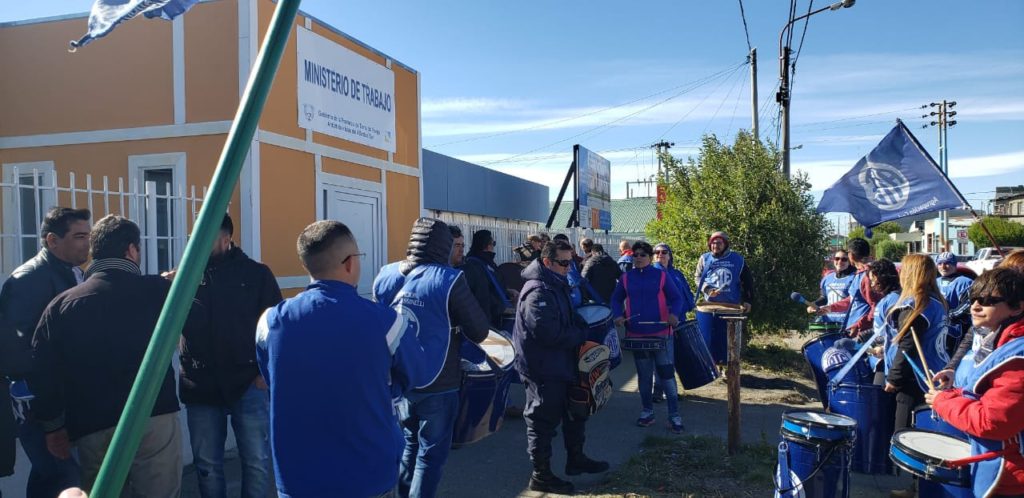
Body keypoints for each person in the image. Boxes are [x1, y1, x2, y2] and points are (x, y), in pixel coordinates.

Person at [256, 220, 428, 497]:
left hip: (297, 478)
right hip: (368, 474)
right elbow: (417, 374)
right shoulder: (387, 323)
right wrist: (386, 390)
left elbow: (270, 376)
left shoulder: (271, 322)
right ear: (349, 263)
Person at [31, 215, 182, 496]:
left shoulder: (61, 306)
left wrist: (53, 426)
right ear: (131, 250)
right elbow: (200, 323)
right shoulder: (160, 292)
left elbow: (44, 371)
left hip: (92, 423)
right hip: (154, 414)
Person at [373, 218, 490, 498]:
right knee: (430, 455)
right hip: (439, 379)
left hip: (399, 377)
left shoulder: (386, 274)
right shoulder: (449, 279)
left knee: (409, 443)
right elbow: (479, 330)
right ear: (443, 246)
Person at [179, 214, 282, 498]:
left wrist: (264, 373)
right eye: (194, 236)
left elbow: (275, 327)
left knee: (256, 460)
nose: (197, 242)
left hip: (247, 382)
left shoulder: (256, 274)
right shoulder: (185, 276)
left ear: (226, 239)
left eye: (206, 236)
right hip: (200, 384)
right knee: (206, 465)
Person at [0, 207, 88, 497]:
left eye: (88, 236)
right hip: (40, 407)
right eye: (79, 237)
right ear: (52, 240)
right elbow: (19, 354)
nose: (87, 243)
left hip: (64, 401)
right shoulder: (29, 280)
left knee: (50, 478)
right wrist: (51, 422)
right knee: (67, 479)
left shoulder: (74, 272)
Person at [514, 240, 608, 494]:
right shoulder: (538, 291)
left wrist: (583, 323)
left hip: (561, 362)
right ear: (547, 262)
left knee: (576, 411)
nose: (569, 268)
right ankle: (541, 475)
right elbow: (548, 333)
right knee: (542, 421)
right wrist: (580, 334)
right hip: (542, 367)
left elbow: (569, 317)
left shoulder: (556, 283)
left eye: (571, 263)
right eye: (564, 263)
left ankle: (576, 459)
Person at [927, 267, 1024, 498]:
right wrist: (952, 393)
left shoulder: (1017, 358)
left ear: (1017, 307)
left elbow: (994, 422)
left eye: (989, 301)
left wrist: (942, 402)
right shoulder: (999, 340)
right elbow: (983, 393)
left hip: (1011, 477)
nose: (975, 306)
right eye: (974, 299)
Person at [880, 254, 949, 485]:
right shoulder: (937, 301)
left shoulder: (915, 305)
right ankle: (917, 487)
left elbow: (908, 347)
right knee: (926, 433)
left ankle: (916, 486)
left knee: (908, 435)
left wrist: (894, 378)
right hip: (936, 373)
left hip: (916, 378)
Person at [612, 241, 685, 431]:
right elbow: (616, 298)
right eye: (635, 255)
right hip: (637, 335)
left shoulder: (661, 276)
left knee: (667, 376)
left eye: (642, 255)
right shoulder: (626, 278)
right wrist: (617, 315)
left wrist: (674, 315)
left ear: (650, 257)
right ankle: (647, 412)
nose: (638, 258)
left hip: (661, 334)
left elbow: (677, 298)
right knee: (644, 377)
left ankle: (674, 416)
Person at [694, 231, 753, 364]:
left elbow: (747, 281)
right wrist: (707, 289)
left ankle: (730, 367)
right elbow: (698, 277)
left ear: (726, 244)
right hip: (710, 308)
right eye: (713, 243)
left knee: (729, 345)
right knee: (710, 345)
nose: (715, 245)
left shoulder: (737, 259)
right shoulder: (704, 258)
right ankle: (713, 367)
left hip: (731, 308)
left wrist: (748, 300)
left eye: (719, 243)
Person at [651, 242, 696, 402]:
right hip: (662, 323)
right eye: (657, 252)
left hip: (679, 322)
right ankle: (659, 392)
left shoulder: (676, 273)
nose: (660, 255)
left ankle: (668, 390)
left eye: (664, 252)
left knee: (671, 359)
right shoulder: (653, 274)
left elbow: (686, 294)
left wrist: (688, 306)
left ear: (670, 256)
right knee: (662, 359)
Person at [816, 238, 878, 338]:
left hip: (863, 334)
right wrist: (830, 308)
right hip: (853, 330)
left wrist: (859, 325)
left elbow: (876, 307)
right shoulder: (860, 274)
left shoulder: (867, 276)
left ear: (851, 255)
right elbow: (852, 299)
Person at [461, 229, 513, 329]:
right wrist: (504, 308)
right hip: (491, 322)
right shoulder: (475, 266)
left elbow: (493, 286)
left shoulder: (482, 262)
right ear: (488, 245)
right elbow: (483, 296)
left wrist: (508, 292)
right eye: (494, 243)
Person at [865, 259, 901, 383]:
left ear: (883, 278)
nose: (871, 285)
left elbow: (898, 332)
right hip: (884, 359)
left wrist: (882, 347)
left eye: (873, 280)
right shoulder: (887, 299)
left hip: (894, 362)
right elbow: (883, 327)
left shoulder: (894, 300)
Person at [935, 251, 973, 354]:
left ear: (954, 264)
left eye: (947, 263)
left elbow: (968, 304)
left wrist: (951, 315)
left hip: (957, 329)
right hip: (937, 328)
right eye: (940, 263)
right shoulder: (935, 282)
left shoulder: (965, 282)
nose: (943, 267)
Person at [808, 249, 856, 324]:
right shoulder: (827, 278)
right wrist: (814, 304)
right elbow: (824, 298)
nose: (840, 261)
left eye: (844, 259)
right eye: (837, 259)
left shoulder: (854, 277)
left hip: (847, 323)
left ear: (849, 262)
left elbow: (854, 300)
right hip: (828, 322)